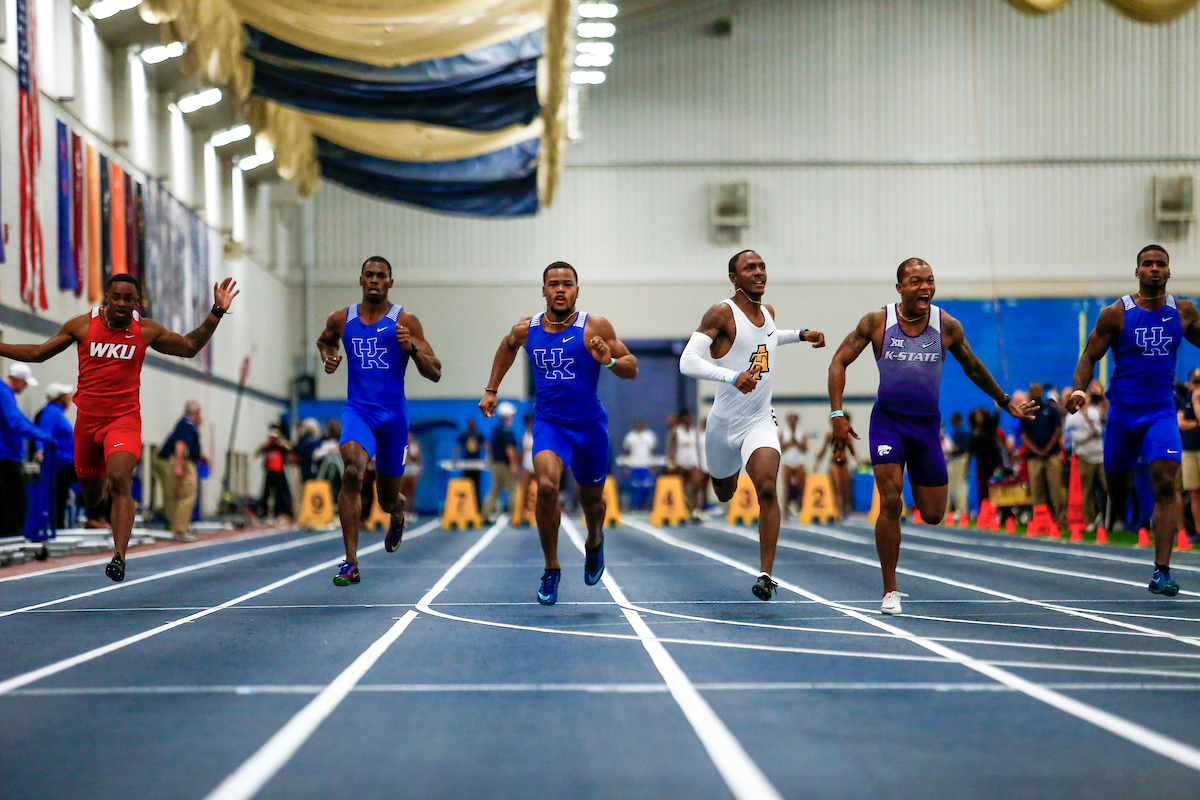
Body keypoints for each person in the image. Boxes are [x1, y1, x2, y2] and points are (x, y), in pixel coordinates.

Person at [828, 258, 1034, 615]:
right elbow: (838, 362)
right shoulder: (877, 322)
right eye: (916, 282)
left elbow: (972, 366)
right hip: (888, 423)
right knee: (890, 500)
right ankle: (889, 589)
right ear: (900, 288)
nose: (925, 287)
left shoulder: (946, 326)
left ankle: (905, 518)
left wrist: (1004, 401)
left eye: (930, 281)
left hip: (926, 428)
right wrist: (836, 414)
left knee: (934, 513)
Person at [0, 274, 238, 580]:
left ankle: (119, 557)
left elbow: (190, 346)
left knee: (119, 479)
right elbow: (37, 353)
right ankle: (99, 505)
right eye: (117, 297)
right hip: (87, 424)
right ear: (107, 298)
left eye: (129, 299)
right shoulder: (82, 325)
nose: (122, 304)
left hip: (123, 421)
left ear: (137, 302)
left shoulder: (146, 330)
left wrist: (216, 312)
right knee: (93, 495)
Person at [479, 261, 637, 605]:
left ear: (577, 290)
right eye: (554, 284)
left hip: (589, 427)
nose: (560, 289)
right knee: (547, 485)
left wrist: (608, 359)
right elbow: (507, 346)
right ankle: (552, 568)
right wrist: (491, 389)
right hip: (550, 425)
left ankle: (594, 540)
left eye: (567, 284)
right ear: (544, 290)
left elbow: (632, 368)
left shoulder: (593, 326)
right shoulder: (527, 329)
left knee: (592, 502)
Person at [679, 249, 826, 600]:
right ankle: (724, 480)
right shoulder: (721, 313)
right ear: (735, 278)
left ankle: (766, 575)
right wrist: (732, 377)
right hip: (721, 425)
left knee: (765, 488)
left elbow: (771, 338)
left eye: (761, 266)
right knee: (725, 493)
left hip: (759, 421)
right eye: (749, 268)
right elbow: (687, 361)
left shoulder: (768, 313)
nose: (758, 272)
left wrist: (802, 334)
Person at [1066, 245, 1200, 596]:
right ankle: (1118, 507)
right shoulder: (1116, 314)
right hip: (1123, 415)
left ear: (1169, 272)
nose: (1154, 269)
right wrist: (1079, 390)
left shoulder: (1184, 312)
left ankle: (1162, 570)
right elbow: (1088, 355)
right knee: (1119, 491)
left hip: (1161, 412)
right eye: (1147, 264)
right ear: (1137, 271)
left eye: (1161, 264)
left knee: (1166, 479)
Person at [317, 255, 441, 586]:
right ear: (360, 280)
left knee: (387, 499)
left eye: (381, 276)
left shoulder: (405, 321)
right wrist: (329, 358)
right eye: (369, 275)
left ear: (390, 283)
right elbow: (325, 340)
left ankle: (397, 513)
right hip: (358, 411)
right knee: (353, 473)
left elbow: (436, 372)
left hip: (393, 420)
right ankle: (351, 562)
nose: (374, 280)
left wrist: (412, 349)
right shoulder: (342, 318)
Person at [1, 364, 51, 537]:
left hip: (8, 455)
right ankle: (10, 538)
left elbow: (22, 420)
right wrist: (46, 437)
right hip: (5, 456)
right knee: (14, 502)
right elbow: (16, 423)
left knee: (12, 500)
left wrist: (39, 436)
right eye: (26, 384)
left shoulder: (6, 394)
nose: (26, 387)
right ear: (20, 380)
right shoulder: (4, 392)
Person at [155, 401, 203, 541]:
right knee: (186, 494)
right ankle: (180, 528)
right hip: (179, 461)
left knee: (173, 495)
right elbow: (180, 445)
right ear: (196, 412)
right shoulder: (187, 425)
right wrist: (179, 466)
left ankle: (175, 526)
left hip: (172, 460)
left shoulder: (184, 423)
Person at [1021, 382, 1067, 527]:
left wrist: (1047, 449)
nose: (1035, 394)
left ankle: (1060, 520)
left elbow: (1058, 430)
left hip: (1051, 455)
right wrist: (1036, 450)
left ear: (1042, 392)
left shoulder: (1051, 410)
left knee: (1056, 489)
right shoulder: (1027, 412)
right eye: (1033, 391)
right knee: (1037, 490)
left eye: (1038, 391)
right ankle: (1041, 521)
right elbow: (1023, 436)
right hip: (1034, 457)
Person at [1065, 381, 1106, 530]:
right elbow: (1069, 437)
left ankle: (1106, 517)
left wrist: (1089, 420)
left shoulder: (1095, 412)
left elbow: (1099, 431)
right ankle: (1089, 519)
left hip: (1099, 455)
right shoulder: (1072, 417)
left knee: (1105, 487)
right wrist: (1085, 437)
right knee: (1087, 490)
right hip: (1084, 456)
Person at [36, 383, 77, 529]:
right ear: (60, 397)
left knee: (61, 494)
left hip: (67, 460)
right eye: (66, 396)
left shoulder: (58, 413)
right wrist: (40, 449)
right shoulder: (52, 412)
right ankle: (94, 516)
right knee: (97, 475)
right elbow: (43, 432)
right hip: (61, 462)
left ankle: (59, 525)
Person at [483, 402, 520, 520]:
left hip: (495, 464)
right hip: (504, 465)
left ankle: (486, 514)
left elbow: (489, 446)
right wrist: (513, 464)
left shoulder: (496, 429)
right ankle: (515, 515)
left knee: (495, 490)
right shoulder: (507, 430)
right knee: (514, 489)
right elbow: (509, 449)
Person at [815, 415, 857, 516]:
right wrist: (818, 461)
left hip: (844, 463)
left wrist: (859, 462)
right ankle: (837, 511)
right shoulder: (830, 434)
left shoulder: (847, 435)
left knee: (846, 489)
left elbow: (852, 451)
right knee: (837, 488)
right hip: (834, 463)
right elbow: (824, 449)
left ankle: (845, 510)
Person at [667, 410, 705, 519]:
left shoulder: (695, 432)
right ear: (682, 420)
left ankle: (695, 510)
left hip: (693, 463)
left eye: (689, 419)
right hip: (680, 463)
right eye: (685, 419)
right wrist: (671, 461)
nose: (688, 421)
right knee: (681, 488)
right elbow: (671, 447)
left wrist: (700, 464)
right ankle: (683, 509)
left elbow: (698, 448)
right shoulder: (676, 431)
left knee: (696, 486)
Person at [256, 426, 293, 519]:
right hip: (270, 472)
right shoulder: (268, 447)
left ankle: (278, 511)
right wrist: (267, 444)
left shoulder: (281, 446)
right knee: (266, 493)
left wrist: (280, 443)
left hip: (279, 472)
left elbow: (289, 449)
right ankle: (264, 511)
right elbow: (258, 452)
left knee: (279, 494)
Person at [779, 413, 807, 521]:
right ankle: (785, 511)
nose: (792, 422)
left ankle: (801, 508)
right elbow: (780, 447)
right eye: (790, 420)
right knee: (786, 486)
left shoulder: (801, 433)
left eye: (794, 420)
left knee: (801, 486)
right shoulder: (783, 433)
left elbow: (805, 448)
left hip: (799, 461)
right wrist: (790, 442)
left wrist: (797, 443)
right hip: (788, 461)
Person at [623, 420, 658, 510]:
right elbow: (627, 451)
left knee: (647, 487)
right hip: (634, 464)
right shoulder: (630, 436)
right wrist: (627, 464)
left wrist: (653, 463)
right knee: (635, 487)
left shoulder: (649, 436)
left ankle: (645, 505)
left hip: (646, 464)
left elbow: (652, 450)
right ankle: (635, 506)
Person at [454, 418, 487, 502]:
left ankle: (478, 507)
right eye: (470, 424)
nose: (472, 426)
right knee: (466, 485)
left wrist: (488, 458)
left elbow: (486, 447)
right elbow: (457, 447)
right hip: (466, 465)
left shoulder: (479, 435)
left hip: (476, 465)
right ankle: (466, 505)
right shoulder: (464, 435)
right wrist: (455, 459)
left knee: (477, 486)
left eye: (473, 424)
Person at [946, 412, 971, 516]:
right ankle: (959, 509)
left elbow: (958, 448)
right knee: (959, 485)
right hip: (963, 458)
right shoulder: (964, 431)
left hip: (958, 459)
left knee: (957, 485)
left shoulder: (957, 432)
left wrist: (948, 452)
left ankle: (960, 510)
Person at [399, 432, 422, 522]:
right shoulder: (401, 446)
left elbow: (418, 457)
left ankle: (411, 511)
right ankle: (403, 512)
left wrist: (410, 455)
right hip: (403, 472)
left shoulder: (414, 446)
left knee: (411, 494)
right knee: (403, 493)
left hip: (412, 472)